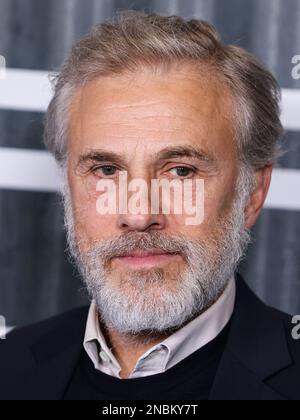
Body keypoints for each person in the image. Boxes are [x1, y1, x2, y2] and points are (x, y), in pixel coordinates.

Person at [0, 10, 299, 400]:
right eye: (106, 169)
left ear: (252, 193)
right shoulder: (10, 364)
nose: (139, 216)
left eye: (180, 171)